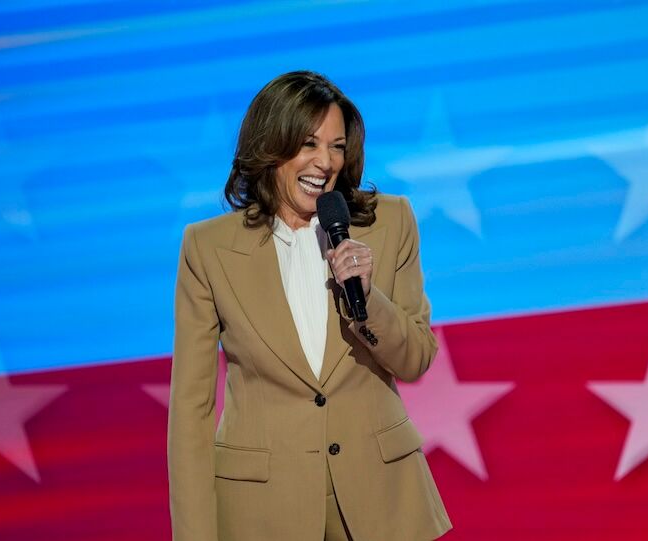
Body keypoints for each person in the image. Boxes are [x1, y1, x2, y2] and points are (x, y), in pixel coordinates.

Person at [168, 70, 452, 541]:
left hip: (381, 502)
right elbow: (191, 410)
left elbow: (416, 358)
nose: (325, 162)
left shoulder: (390, 221)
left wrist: (369, 297)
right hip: (262, 512)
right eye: (308, 143)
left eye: (337, 146)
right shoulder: (207, 248)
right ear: (270, 146)